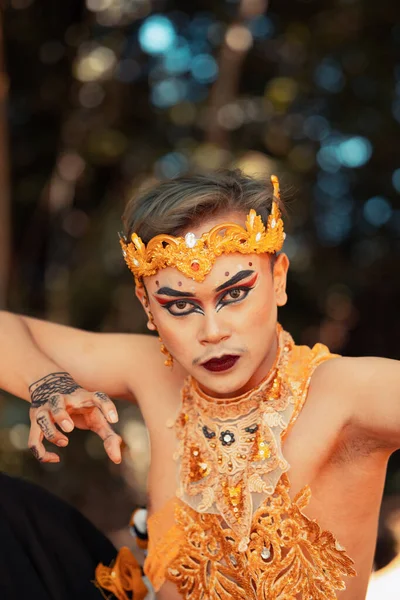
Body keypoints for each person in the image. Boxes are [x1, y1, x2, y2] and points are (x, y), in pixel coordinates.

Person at [0, 168, 399, 600]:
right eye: (180, 305)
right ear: (148, 306)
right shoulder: (153, 371)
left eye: (234, 294)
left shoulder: (346, 393)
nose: (212, 331)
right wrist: (49, 384)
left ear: (278, 279)